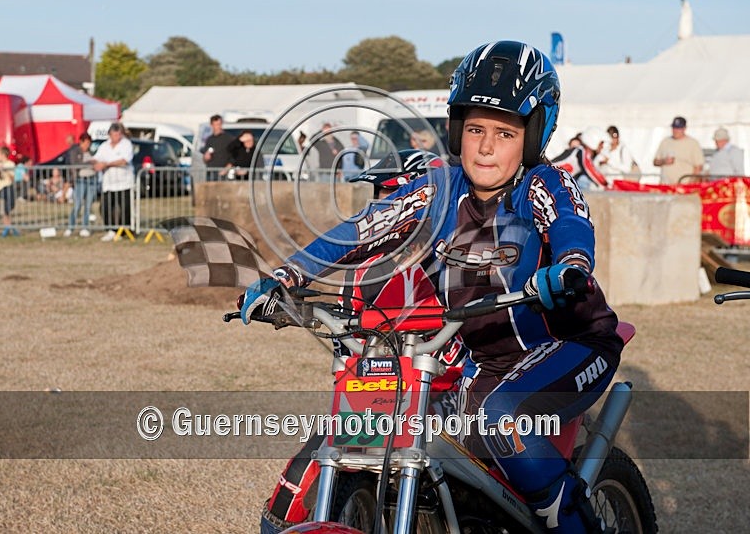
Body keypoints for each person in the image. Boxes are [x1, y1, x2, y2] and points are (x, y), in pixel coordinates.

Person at [245, 41, 621, 533]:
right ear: (455, 129)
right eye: (475, 129)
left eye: (505, 133)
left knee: (496, 416)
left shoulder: (544, 185)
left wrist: (570, 266)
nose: (486, 146)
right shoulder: (439, 189)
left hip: (567, 345)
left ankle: (571, 521)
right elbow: (363, 227)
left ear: (533, 136)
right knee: (391, 417)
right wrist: (286, 275)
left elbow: (570, 223)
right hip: (479, 359)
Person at [259, 150, 469, 533]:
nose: (382, 206)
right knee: (303, 473)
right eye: (378, 195)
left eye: (391, 192)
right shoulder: (360, 271)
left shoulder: (454, 257)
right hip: (384, 396)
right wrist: (291, 303)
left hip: (452, 392)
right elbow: (348, 345)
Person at [93, 122, 133, 241]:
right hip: (108, 183)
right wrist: (96, 164)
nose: (117, 137)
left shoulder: (126, 144)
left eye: (119, 134)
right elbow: (96, 158)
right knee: (105, 207)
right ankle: (111, 230)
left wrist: (107, 164)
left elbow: (124, 161)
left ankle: (123, 231)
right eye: (114, 135)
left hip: (124, 182)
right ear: (110, 134)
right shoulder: (104, 146)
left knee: (124, 208)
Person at [551, 126, 609, 190]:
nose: (602, 146)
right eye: (601, 143)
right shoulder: (582, 151)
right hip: (551, 177)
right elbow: (591, 170)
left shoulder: (582, 152)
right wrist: (606, 185)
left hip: (555, 181)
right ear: (593, 141)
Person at [652, 116, 705, 184]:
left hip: (683, 185)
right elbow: (655, 162)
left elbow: (698, 167)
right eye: (674, 128)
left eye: (678, 128)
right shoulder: (665, 141)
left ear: (684, 128)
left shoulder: (693, 143)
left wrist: (690, 184)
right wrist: (664, 161)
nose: (675, 130)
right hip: (665, 185)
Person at [63, 132, 97, 237]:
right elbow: (75, 164)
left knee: (88, 205)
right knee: (77, 205)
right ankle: (71, 227)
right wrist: (89, 163)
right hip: (80, 180)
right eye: (86, 143)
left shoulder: (91, 152)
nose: (87, 146)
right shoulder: (75, 151)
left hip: (91, 180)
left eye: (89, 143)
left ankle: (85, 227)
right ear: (81, 142)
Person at [202, 114, 235, 181]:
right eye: (216, 125)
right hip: (210, 173)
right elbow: (205, 158)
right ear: (211, 125)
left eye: (220, 124)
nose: (218, 127)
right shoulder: (209, 139)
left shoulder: (229, 138)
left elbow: (234, 156)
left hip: (224, 173)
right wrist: (206, 157)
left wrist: (226, 169)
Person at [0, 146, 16, 229]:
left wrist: (5, 170)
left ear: (3, 155)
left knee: (8, 208)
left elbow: (12, 177)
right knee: (1, 209)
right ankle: (6, 226)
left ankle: (8, 226)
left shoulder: (11, 164)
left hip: (8, 187)